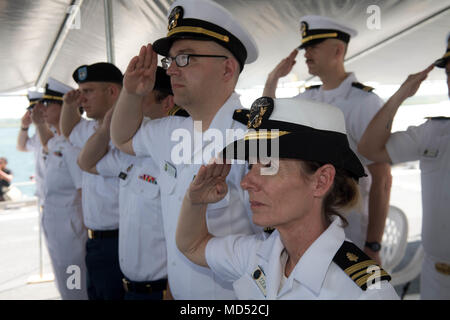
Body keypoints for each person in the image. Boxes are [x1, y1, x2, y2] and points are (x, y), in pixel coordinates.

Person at [176, 96, 398, 299]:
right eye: (250, 165)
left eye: (268, 165)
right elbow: (192, 245)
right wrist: (195, 201)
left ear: (321, 181)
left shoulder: (366, 293)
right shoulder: (256, 255)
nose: (245, 182)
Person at [111, 0, 261, 299]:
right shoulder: (170, 131)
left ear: (227, 69)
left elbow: (276, 244)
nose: (170, 72)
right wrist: (130, 93)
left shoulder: (253, 141)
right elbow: (122, 140)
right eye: (170, 61)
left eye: (185, 59)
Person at [262, 15, 392, 263]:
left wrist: (373, 244)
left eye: (313, 46)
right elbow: (267, 123)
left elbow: (382, 179)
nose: (306, 54)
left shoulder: (365, 103)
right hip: (307, 232)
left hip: (349, 233)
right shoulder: (307, 99)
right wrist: (272, 79)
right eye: (305, 47)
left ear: (338, 50)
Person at [77, 67, 188, 300]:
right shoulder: (130, 156)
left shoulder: (180, 160)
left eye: (140, 99)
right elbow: (86, 163)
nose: (130, 108)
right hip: (130, 288)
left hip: (162, 290)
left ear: (167, 102)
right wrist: (108, 129)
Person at [358, 33, 450, 300]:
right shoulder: (434, 132)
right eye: (448, 74)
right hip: (435, 276)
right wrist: (401, 95)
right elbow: (370, 149)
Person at [60, 62, 124, 300]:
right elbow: (69, 131)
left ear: (112, 92)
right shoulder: (91, 129)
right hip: (96, 241)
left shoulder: (127, 130)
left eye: (88, 91)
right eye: (80, 92)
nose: (82, 99)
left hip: (120, 239)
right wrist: (69, 105)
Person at [31, 78, 88, 300]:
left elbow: (84, 192)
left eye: (48, 104)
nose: (42, 109)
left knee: (75, 285)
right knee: (64, 281)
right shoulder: (59, 140)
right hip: (57, 228)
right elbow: (49, 144)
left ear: (66, 107)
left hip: (71, 231)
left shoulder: (74, 144)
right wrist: (38, 124)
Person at [16, 91, 47, 206]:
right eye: (31, 111)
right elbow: (22, 146)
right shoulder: (39, 134)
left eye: (34, 111)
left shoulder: (59, 131)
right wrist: (24, 126)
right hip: (43, 195)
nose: (31, 114)